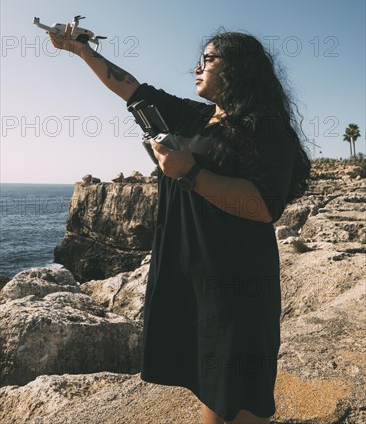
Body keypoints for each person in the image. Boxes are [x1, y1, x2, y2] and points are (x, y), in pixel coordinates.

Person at [49, 26, 311, 424]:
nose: (197, 66)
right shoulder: (193, 116)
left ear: (239, 68)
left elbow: (263, 206)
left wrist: (189, 173)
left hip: (237, 288)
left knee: (240, 401)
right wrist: (79, 49)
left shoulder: (265, 127)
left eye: (208, 59)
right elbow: (129, 87)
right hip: (194, 284)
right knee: (210, 387)